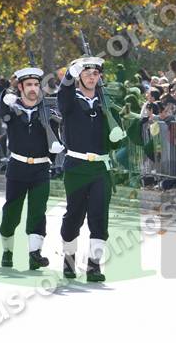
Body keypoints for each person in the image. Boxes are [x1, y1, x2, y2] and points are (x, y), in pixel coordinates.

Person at [58, 56, 126, 282]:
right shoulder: (71, 100)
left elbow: (115, 141)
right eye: (86, 73)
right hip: (76, 167)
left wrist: (118, 137)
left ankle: (94, 266)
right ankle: (69, 260)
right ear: (79, 76)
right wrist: (69, 75)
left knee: (99, 216)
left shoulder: (106, 103)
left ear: (100, 77)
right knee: (74, 216)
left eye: (95, 73)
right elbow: (63, 98)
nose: (91, 77)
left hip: (100, 168)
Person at [0, 67, 63, 270]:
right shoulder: (12, 109)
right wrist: (6, 95)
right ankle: (7, 251)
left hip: (41, 169)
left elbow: (56, 134)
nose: (33, 88)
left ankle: (35, 254)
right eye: (28, 85)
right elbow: (2, 112)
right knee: (11, 214)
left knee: (38, 212)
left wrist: (56, 148)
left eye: (36, 84)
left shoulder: (48, 112)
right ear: (20, 87)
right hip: (17, 167)